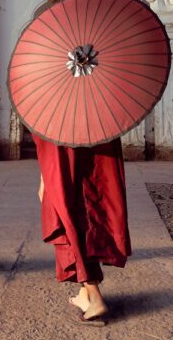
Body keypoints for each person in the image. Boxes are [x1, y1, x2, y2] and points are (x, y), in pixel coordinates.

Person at [34, 135, 131, 323]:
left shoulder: (53, 115)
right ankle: (85, 293)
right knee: (88, 215)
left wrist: (44, 180)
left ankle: (94, 297)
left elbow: (52, 152)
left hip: (61, 150)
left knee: (67, 218)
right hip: (96, 158)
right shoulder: (100, 113)